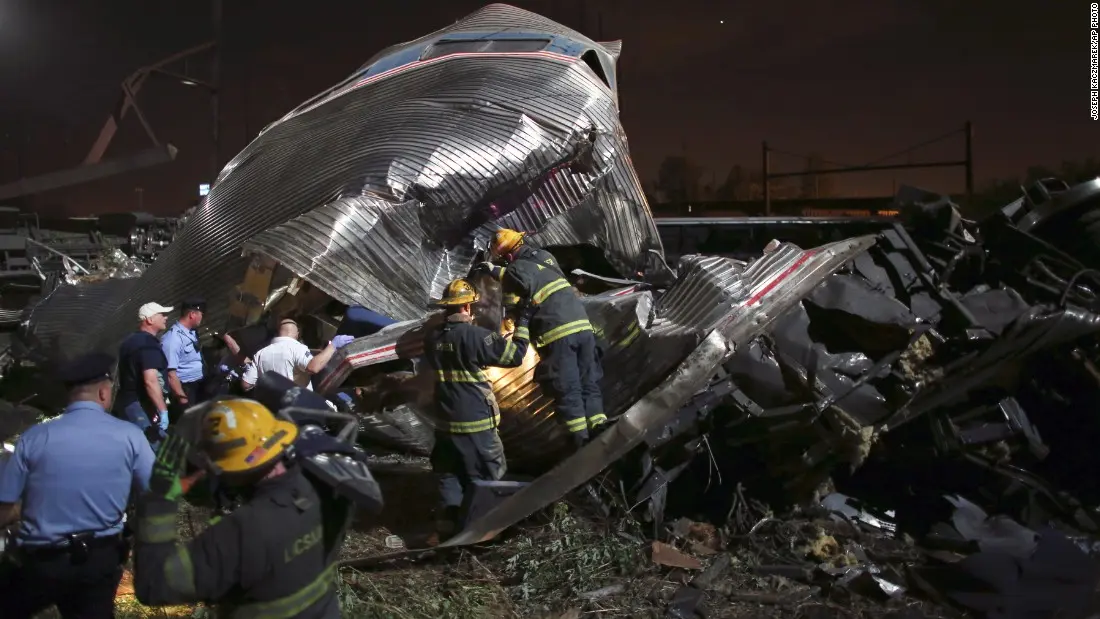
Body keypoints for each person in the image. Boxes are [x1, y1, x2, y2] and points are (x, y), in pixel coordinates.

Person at [132, 398, 351, 617]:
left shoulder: (240, 533)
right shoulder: (323, 488)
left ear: (227, 469)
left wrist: (159, 497)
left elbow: (153, 585)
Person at [0, 353, 155, 619]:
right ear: (104, 393)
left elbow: (5, 508)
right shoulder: (131, 436)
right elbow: (157, 495)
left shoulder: (34, 438)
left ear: (68, 396)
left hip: (42, 562)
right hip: (101, 559)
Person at [424, 278, 534, 536]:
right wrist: (524, 323)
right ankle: (488, 533)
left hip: (445, 424)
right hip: (476, 424)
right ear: (466, 308)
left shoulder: (432, 339)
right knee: (488, 479)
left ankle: (448, 531)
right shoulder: (477, 337)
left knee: (450, 476)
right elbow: (515, 356)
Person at [479, 229, 606, 449]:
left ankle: (580, 444)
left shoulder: (514, 270)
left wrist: (495, 272)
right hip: (583, 327)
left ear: (508, 256)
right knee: (589, 382)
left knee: (568, 389)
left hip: (557, 333)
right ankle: (599, 427)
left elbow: (514, 301)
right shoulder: (546, 257)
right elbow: (533, 277)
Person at [240, 318, 353, 391]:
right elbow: (313, 367)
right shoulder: (297, 348)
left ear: (278, 333)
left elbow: (246, 384)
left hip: (271, 411)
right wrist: (333, 346)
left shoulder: (261, 353)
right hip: (295, 410)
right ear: (298, 334)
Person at [116, 302, 173, 445]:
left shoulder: (130, 340)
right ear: (149, 319)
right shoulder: (147, 344)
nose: (166, 318)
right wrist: (162, 410)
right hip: (138, 405)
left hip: (128, 403)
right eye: (162, 315)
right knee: (155, 449)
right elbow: (150, 381)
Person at [161, 298, 207, 415]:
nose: (202, 317)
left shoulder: (191, 332)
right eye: (201, 314)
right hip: (186, 389)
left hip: (199, 385)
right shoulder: (172, 339)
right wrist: (184, 401)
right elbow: (171, 375)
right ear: (192, 314)